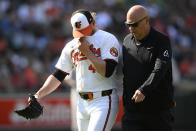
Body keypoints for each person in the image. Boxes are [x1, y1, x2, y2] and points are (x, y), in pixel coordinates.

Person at [31, 9, 120, 131]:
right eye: (79, 31)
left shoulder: (107, 39)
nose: (82, 34)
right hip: (81, 103)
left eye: (84, 29)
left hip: (103, 100)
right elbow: (58, 76)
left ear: (93, 22)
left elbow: (107, 71)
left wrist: (87, 52)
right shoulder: (71, 45)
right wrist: (38, 95)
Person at [122, 5, 175, 131]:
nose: (131, 28)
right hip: (132, 112)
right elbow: (126, 73)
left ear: (146, 21)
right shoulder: (126, 41)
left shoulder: (162, 40)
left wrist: (143, 89)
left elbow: (160, 69)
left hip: (158, 112)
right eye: (128, 24)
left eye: (134, 24)